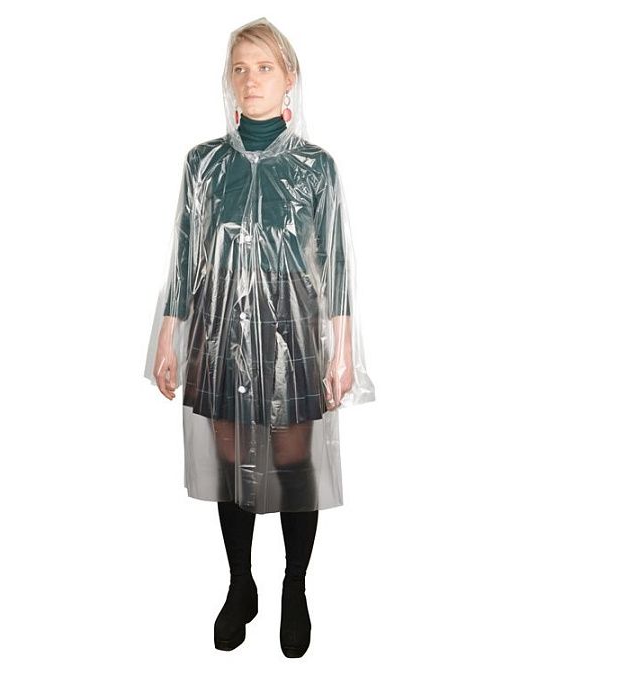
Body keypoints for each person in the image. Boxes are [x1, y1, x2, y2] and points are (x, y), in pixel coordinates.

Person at [143, 17, 375, 658]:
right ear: (228, 79)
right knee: (231, 458)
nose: (251, 80)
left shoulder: (315, 167)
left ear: (289, 77)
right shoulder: (204, 164)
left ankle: (293, 587)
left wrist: (343, 350)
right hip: (219, 323)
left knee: (293, 459)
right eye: (240, 68)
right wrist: (167, 335)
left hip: (291, 324)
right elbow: (186, 256)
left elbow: (335, 261)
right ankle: (240, 583)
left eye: (264, 67)